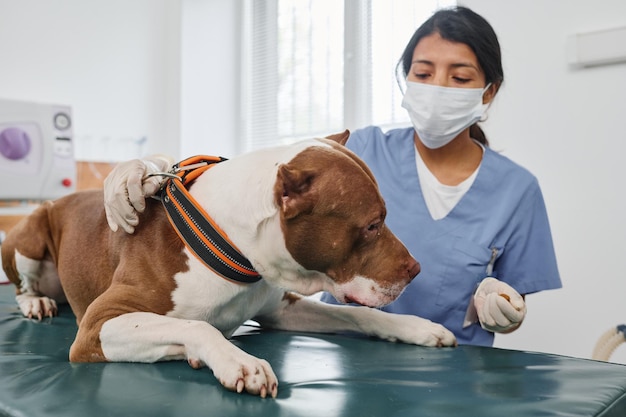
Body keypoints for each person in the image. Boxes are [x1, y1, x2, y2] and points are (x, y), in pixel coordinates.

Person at [102, 6, 561, 346]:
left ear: (488, 91)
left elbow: (513, 300)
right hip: (342, 354)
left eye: (460, 78)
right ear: (406, 81)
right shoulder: (355, 155)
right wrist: (154, 166)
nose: (439, 88)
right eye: (424, 73)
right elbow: (250, 186)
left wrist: (503, 310)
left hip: (451, 368)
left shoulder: (517, 190)